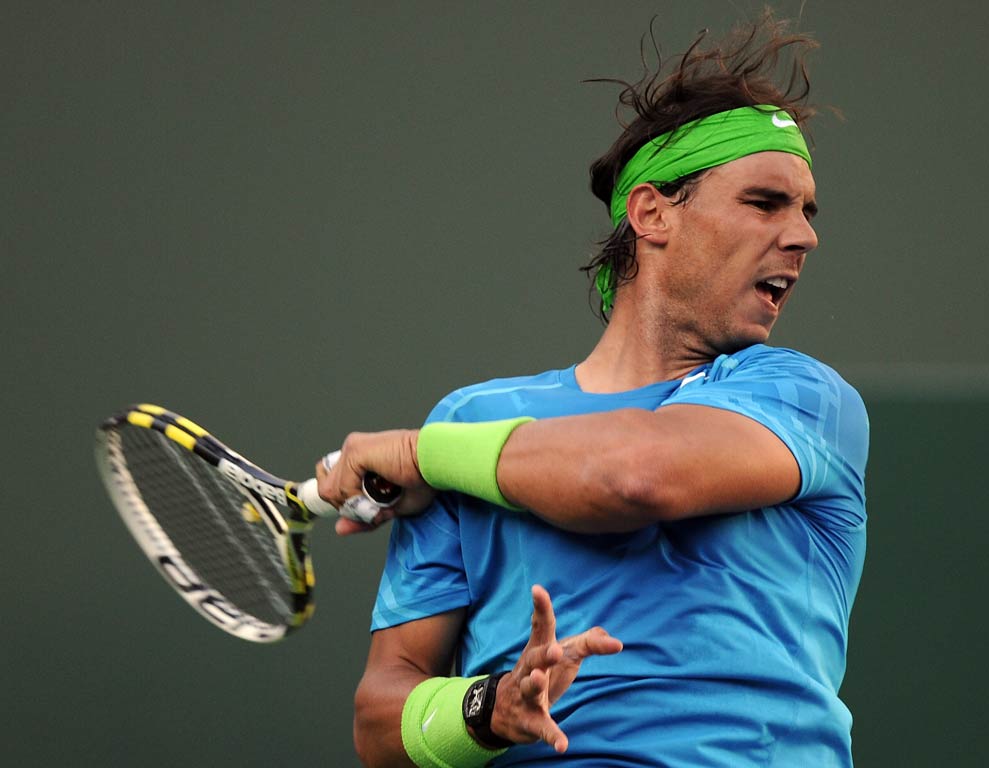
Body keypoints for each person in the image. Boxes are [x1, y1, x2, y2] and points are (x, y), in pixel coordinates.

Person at [317, 12, 869, 768]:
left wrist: (424, 455)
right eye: (765, 202)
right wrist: (484, 709)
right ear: (652, 213)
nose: (804, 235)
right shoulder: (472, 425)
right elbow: (380, 722)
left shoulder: (803, 398)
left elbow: (630, 476)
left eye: (807, 211)